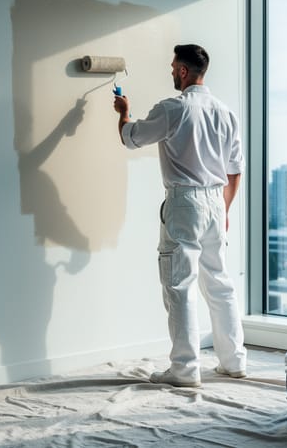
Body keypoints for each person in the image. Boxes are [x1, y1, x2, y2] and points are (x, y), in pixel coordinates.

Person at [113, 44, 247, 387]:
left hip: (185, 202)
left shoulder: (173, 108)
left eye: (174, 67)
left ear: (184, 71)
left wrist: (123, 112)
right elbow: (234, 171)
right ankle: (234, 362)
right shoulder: (225, 113)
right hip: (217, 202)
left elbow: (131, 138)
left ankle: (184, 370)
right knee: (219, 283)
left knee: (179, 285)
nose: (172, 72)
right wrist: (225, 209)